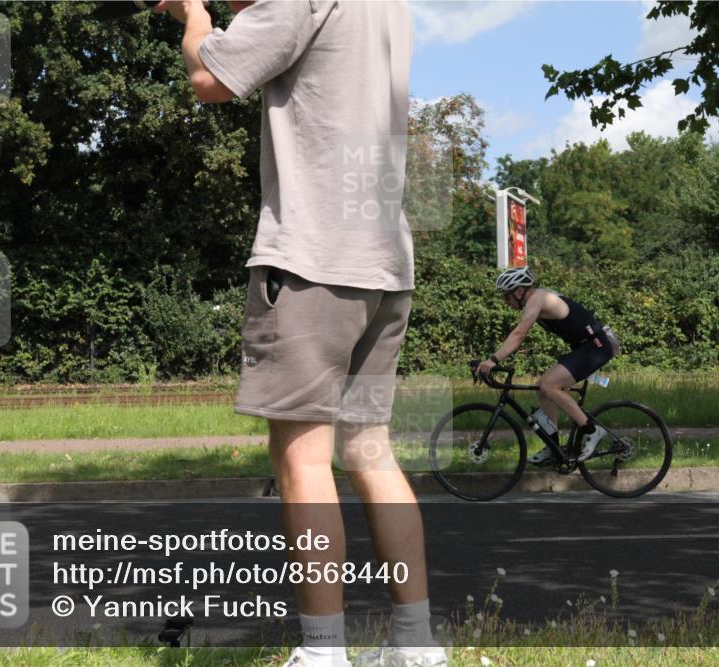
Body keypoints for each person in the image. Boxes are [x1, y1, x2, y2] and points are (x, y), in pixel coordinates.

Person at [154, 2, 446, 666]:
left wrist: (193, 15)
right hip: (383, 264)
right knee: (370, 452)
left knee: (304, 461)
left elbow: (211, 78)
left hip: (313, 261)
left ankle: (322, 654)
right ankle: (415, 646)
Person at [474, 266, 621, 464]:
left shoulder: (538, 298)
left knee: (549, 385)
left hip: (596, 347)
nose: (505, 302)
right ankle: (553, 446)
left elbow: (519, 334)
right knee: (542, 388)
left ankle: (592, 430)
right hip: (585, 348)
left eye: (506, 297)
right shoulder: (537, 299)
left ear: (519, 291)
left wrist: (493, 360)